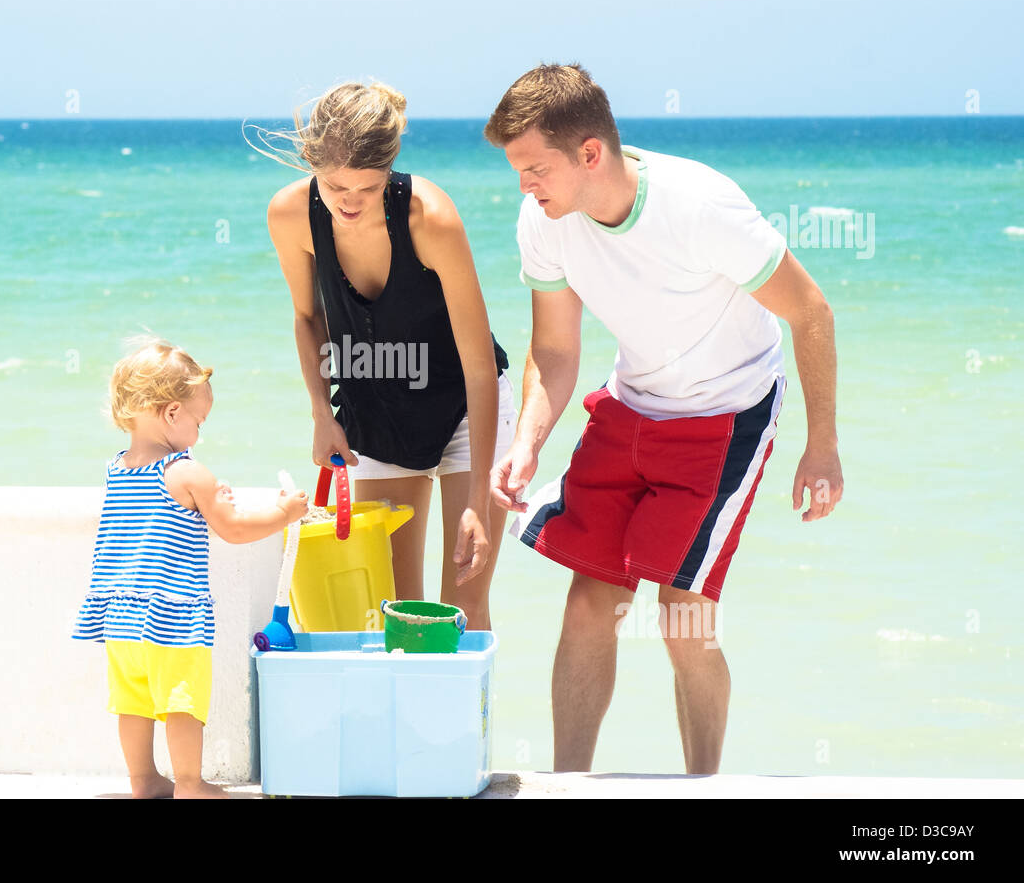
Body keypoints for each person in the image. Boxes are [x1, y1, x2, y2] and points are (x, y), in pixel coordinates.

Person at [485, 64, 843, 774]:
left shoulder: (701, 208)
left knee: (683, 614)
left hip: (725, 414)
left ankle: (702, 785)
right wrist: (526, 441)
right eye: (518, 170)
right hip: (631, 402)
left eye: (535, 168)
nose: (524, 186)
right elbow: (554, 350)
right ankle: (568, 787)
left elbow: (810, 310)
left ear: (590, 154)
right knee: (590, 601)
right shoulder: (546, 220)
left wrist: (822, 444)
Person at [253, 81, 515, 627]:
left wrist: (477, 499)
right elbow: (308, 319)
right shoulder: (290, 214)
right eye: (335, 185)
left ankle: (467, 715)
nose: (349, 201)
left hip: (468, 407)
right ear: (313, 166)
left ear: (390, 170)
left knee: (462, 609)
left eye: (368, 188)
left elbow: (478, 363)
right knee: (391, 612)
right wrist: (322, 415)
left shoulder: (429, 216)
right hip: (375, 408)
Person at [71, 337, 309, 798]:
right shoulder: (185, 470)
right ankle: (190, 784)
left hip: (118, 614)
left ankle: (143, 781)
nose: (200, 433)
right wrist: (285, 512)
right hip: (171, 615)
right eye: (200, 421)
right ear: (172, 413)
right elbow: (234, 528)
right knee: (182, 701)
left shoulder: (117, 468)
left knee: (134, 703)